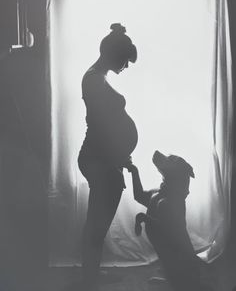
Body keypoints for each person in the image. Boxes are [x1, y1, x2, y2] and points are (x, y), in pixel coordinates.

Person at [78, 23, 138, 290]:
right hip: (98, 157)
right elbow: (102, 126)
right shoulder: (93, 79)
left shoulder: (98, 77)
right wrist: (117, 154)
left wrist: (119, 154)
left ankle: (91, 273)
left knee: (98, 222)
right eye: (124, 60)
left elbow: (109, 123)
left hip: (104, 157)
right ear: (113, 54)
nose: (126, 66)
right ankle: (87, 278)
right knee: (97, 223)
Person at [124, 150, 213, 291]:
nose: (160, 155)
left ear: (175, 174)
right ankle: (172, 278)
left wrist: (142, 217)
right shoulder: (160, 194)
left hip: (182, 265)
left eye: (169, 160)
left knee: (180, 276)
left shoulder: (169, 202)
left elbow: (165, 230)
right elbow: (139, 196)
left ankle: (177, 281)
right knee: (169, 264)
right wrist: (134, 171)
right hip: (172, 258)